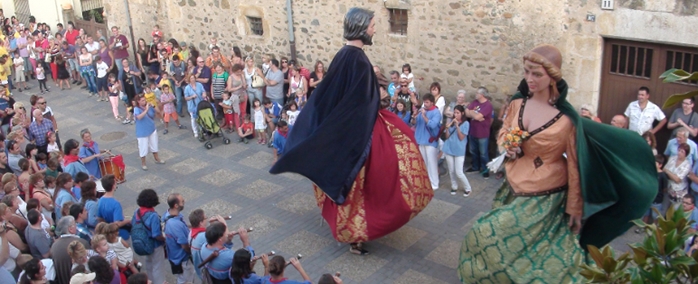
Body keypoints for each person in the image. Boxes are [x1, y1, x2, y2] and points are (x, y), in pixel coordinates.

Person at [457, 44, 656, 283]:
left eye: (537, 74)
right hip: (514, 185)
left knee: (487, 235)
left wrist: (574, 205)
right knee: (510, 247)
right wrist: (506, 146)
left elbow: (574, 162)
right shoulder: (517, 105)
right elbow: (504, 132)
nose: (529, 79)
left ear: (552, 77)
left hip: (547, 194)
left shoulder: (566, 120)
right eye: (527, 71)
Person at [269, 7, 433, 255]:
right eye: (372, 25)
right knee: (376, 175)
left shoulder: (344, 56)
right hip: (361, 129)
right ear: (361, 27)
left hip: (358, 125)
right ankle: (357, 233)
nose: (375, 29)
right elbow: (355, 102)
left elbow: (331, 96)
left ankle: (354, 231)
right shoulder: (356, 59)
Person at [132, 189, 166, 284]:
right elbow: (156, 234)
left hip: (143, 243)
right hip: (155, 245)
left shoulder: (137, 211)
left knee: (149, 265)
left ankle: (150, 281)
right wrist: (164, 238)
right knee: (158, 267)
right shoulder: (153, 215)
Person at [163, 193, 195, 284]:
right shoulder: (175, 225)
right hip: (183, 260)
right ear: (176, 205)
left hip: (175, 257)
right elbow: (184, 245)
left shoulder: (169, 214)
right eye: (182, 201)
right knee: (186, 280)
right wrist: (192, 252)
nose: (184, 202)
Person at [51, 216, 90, 284]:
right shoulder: (82, 243)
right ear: (70, 229)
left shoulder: (54, 247)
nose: (76, 227)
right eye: (75, 224)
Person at [443, 105, 472, 196]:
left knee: (459, 172)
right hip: (449, 148)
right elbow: (447, 137)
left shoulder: (466, 124)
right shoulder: (451, 121)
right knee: (451, 170)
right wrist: (447, 128)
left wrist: (457, 126)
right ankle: (454, 186)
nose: (456, 115)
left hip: (459, 150)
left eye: (458, 113)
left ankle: (468, 188)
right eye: (454, 112)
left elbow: (461, 137)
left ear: (462, 113)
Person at [465, 87, 494, 178]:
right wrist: (475, 114)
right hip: (473, 131)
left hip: (482, 133)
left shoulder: (487, 105)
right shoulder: (475, 102)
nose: (476, 94)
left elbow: (476, 116)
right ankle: (475, 167)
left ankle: (485, 169)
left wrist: (472, 113)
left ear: (482, 95)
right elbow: (466, 112)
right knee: (473, 151)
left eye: (477, 93)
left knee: (483, 153)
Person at [415, 93, 442, 191]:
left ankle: (435, 183)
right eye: (424, 102)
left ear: (432, 102)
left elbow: (433, 125)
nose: (425, 104)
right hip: (421, 140)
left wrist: (424, 116)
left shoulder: (436, 112)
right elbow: (416, 123)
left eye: (427, 102)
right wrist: (415, 115)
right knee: (424, 163)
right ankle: (426, 182)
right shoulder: (423, 111)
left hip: (430, 141)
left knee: (432, 163)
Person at [134, 95, 165, 171]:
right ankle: (143, 163)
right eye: (142, 100)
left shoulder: (149, 106)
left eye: (144, 100)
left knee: (154, 144)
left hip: (151, 128)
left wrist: (153, 105)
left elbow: (158, 112)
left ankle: (157, 158)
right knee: (143, 148)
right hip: (142, 132)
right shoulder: (136, 109)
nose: (144, 101)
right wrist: (146, 110)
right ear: (138, 101)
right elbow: (139, 117)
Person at [97, 175, 131, 241]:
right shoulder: (116, 204)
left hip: (108, 233)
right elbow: (117, 223)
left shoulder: (100, 200)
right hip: (120, 234)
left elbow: (99, 218)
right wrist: (128, 221)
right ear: (113, 186)